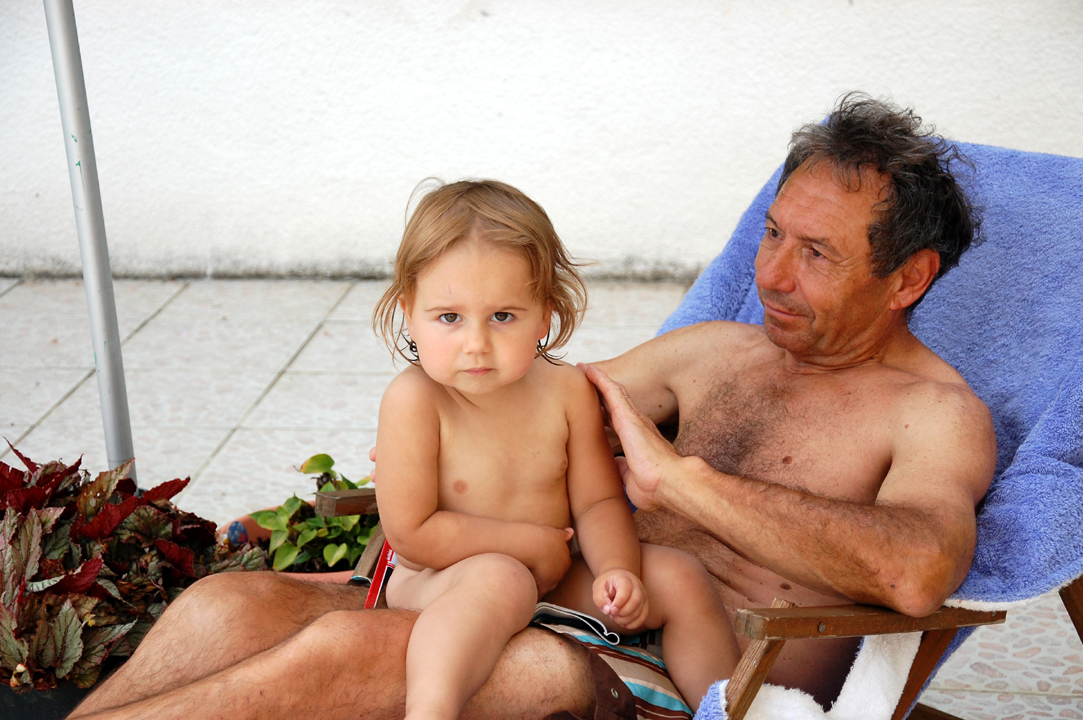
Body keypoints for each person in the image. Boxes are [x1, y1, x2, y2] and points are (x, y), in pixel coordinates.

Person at [69, 93, 997, 720]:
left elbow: (918, 571)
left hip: (665, 676)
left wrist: (681, 482)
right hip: (533, 596)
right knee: (225, 606)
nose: (772, 275)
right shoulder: (718, 350)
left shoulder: (931, 414)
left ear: (907, 277)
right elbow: (526, 402)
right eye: (771, 234)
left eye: (815, 254)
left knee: (349, 650)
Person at [370, 179, 736, 719]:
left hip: (557, 574)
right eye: (449, 317)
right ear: (409, 311)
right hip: (442, 578)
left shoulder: (565, 391)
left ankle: (732, 711)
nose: (476, 344)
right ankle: (430, 710)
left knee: (680, 578)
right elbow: (412, 533)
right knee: (502, 578)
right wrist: (528, 544)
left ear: (545, 313)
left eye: (503, 316)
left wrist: (617, 569)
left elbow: (598, 502)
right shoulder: (414, 400)